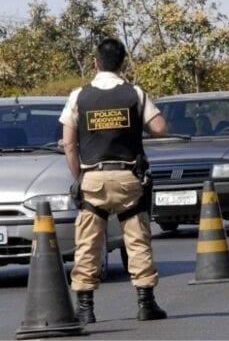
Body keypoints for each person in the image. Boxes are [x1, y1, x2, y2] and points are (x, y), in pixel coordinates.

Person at [59, 38, 169, 324]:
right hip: (128, 177)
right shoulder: (134, 93)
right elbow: (159, 128)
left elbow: (69, 145)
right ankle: (146, 304)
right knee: (137, 240)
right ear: (123, 63)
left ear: (95, 62)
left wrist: (80, 177)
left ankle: (85, 308)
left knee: (88, 244)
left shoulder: (78, 96)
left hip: (92, 178)